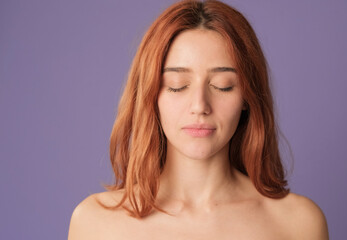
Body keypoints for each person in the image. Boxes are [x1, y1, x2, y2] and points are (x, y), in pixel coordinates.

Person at [68, 0, 329, 239]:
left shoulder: (298, 224)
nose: (199, 106)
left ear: (248, 97)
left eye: (223, 85)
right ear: (149, 96)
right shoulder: (95, 223)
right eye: (177, 85)